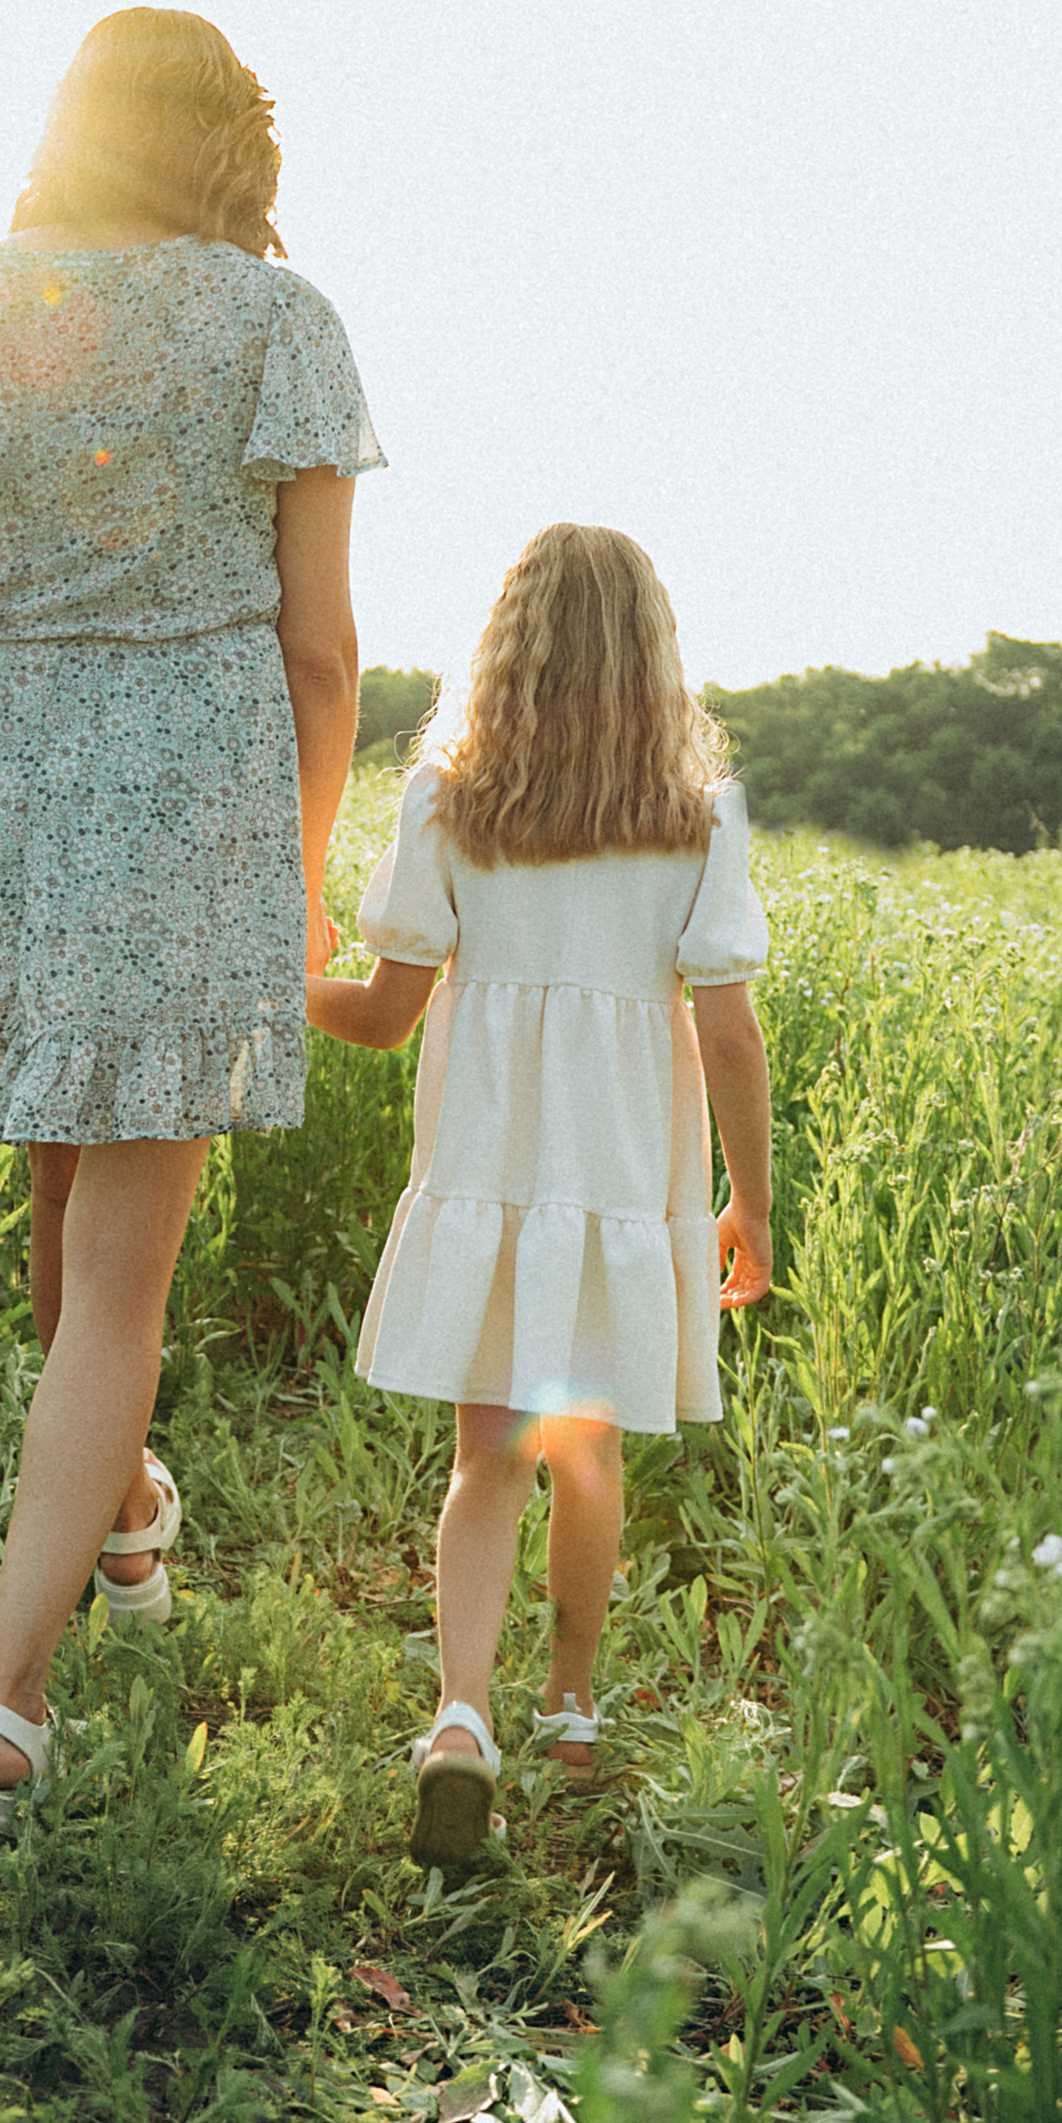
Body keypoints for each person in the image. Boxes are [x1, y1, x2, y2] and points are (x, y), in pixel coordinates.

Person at [0, 7, 382, 1848]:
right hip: (200, 781)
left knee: (65, 1213)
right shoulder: (279, 324)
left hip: (11, 777)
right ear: (233, 139)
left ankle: (124, 1520)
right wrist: (297, 865)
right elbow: (323, 645)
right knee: (113, 1260)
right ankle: (10, 1716)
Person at [305, 523, 772, 1867]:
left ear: (504, 648)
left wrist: (275, 991)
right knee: (590, 1449)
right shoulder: (697, 817)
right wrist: (750, 1201)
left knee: (486, 1457)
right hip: (625, 1172)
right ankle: (568, 1701)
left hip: (491, 1169)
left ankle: (461, 1715)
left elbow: (388, 1016)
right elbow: (731, 1034)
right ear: (653, 654)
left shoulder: (450, 802)